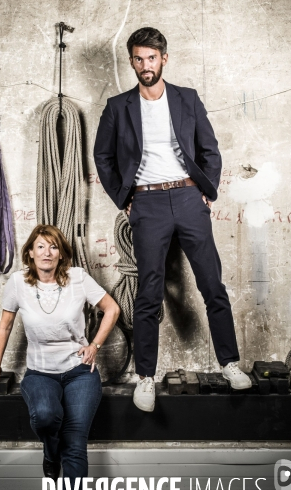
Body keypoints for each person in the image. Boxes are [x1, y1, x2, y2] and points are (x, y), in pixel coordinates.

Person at [93, 27, 251, 413]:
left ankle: (230, 363)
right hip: (145, 203)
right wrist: (124, 199)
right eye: (138, 59)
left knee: (212, 284)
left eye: (151, 58)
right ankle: (146, 377)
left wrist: (204, 191)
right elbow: (103, 157)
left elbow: (210, 150)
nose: (145, 66)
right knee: (148, 293)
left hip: (187, 196)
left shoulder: (187, 99)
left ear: (164, 58)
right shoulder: (118, 106)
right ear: (131, 61)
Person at [0, 224, 120, 490]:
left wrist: (95, 345)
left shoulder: (78, 278)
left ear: (61, 254)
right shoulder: (18, 283)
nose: (47, 252)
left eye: (53, 247)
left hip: (80, 373)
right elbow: (5, 327)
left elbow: (112, 308)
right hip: (40, 373)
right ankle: (50, 452)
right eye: (40, 246)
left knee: (75, 446)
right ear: (30, 253)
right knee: (45, 416)